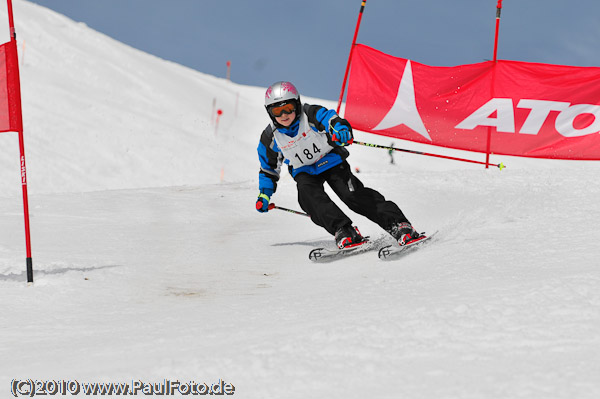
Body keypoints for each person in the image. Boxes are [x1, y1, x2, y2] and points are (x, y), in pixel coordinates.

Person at [255, 81, 423, 249]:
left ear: (297, 104)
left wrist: (340, 129)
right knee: (308, 197)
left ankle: (399, 225)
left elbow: (331, 119)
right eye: (277, 111)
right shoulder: (270, 137)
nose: (284, 114)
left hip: (331, 160)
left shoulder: (310, 114)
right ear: (269, 112)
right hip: (304, 171)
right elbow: (268, 169)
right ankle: (344, 231)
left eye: (288, 108)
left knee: (351, 195)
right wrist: (264, 194)